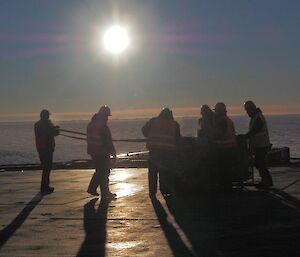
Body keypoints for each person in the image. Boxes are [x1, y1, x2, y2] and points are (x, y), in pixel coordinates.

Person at [142, 107, 181, 199]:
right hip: (167, 152)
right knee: (165, 172)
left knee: (152, 173)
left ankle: (152, 193)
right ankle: (165, 191)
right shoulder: (174, 124)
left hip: (154, 151)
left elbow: (144, 131)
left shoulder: (153, 121)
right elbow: (178, 139)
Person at [86, 105, 117, 199]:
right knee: (104, 173)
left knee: (99, 172)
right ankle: (105, 193)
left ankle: (92, 188)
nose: (107, 118)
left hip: (93, 152)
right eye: (107, 116)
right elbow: (108, 142)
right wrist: (114, 154)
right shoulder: (103, 127)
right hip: (101, 152)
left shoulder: (91, 125)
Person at [244, 100, 273, 188]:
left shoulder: (257, 118)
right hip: (260, 145)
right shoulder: (256, 117)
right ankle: (267, 180)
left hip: (262, 145)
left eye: (248, 110)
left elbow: (254, 131)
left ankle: (266, 181)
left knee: (260, 163)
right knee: (260, 163)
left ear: (252, 109)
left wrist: (244, 137)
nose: (247, 112)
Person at [213, 102, 237, 191]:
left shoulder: (221, 121)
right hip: (230, 148)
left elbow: (219, 134)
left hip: (223, 148)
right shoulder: (228, 120)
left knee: (223, 169)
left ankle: (224, 188)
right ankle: (227, 187)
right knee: (227, 169)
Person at [34, 109, 59, 194]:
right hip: (45, 148)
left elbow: (51, 132)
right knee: (46, 168)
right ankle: (44, 187)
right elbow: (47, 133)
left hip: (44, 148)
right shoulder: (42, 125)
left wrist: (54, 130)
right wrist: (54, 130)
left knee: (47, 168)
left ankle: (45, 186)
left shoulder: (40, 124)